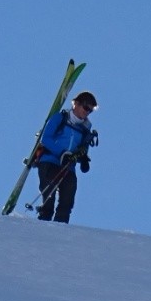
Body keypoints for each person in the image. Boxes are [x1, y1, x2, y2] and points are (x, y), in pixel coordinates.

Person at [35, 91, 98, 222]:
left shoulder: (85, 129)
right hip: (49, 161)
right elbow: (46, 138)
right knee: (49, 200)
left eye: (90, 111)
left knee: (67, 200)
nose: (87, 112)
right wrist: (62, 153)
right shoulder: (60, 118)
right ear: (76, 104)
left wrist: (83, 158)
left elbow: (82, 149)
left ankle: (60, 230)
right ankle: (43, 226)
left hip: (68, 167)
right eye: (86, 108)